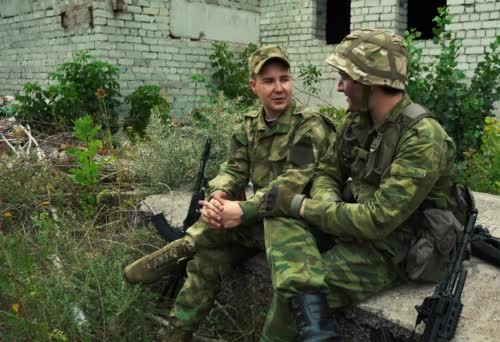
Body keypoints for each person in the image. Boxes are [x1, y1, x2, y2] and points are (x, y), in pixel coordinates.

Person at [236, 28, 470, 341]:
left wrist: (302, 205)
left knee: (297, 294)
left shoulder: (423, 138)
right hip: (348, 222)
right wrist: (328, 208)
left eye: (345, 77)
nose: (340, 85)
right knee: (277, 214)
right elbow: (327, 173)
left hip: (390, 248)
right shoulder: (356, 120)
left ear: (369, 81)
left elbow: (377, 221)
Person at [122, 45, 335, 341]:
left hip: (297, 229)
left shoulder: (309, 126)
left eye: (284, 79)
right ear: (254, 86)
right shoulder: (248, 126)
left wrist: (242, 211)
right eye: (269, 81)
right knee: (208, 261)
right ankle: (176, 332)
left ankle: (186, 245)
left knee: (222, 230)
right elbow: (233, 169)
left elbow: (290, 183)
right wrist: (220, 194)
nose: (279, 88)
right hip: (260, 223)